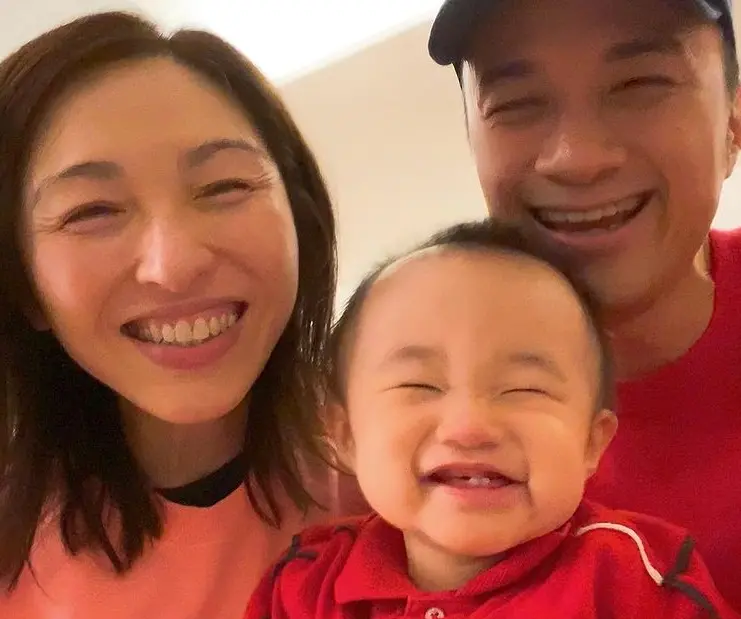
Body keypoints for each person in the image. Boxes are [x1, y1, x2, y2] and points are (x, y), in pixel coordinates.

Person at [0, 11, 340, 619]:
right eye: (91, 211)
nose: (174, 265)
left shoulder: (433, 476)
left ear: (300, 217)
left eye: (223, 187)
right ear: (24, 285)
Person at [246, 219, 738, 619]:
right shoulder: (304, 587)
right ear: (345, 433)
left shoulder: (632, 581)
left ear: (592, 443)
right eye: (420, 385)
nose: (469, 427)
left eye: (524, 389)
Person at [426, 0, 741, 608]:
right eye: (517, 103)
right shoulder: (421, 421)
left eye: (639, 84)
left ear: (732, 122)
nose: (577, 158)